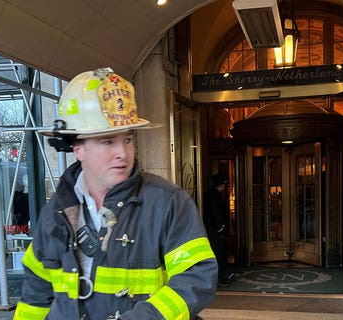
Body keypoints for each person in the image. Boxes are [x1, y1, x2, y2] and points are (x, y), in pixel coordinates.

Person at [13, 67, 218, 320]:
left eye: (128, 139)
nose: (122, 152)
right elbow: (36, 291)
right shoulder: (56, 210)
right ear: (78, 149)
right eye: (108, 141)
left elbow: (196, 277)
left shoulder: (168, 202)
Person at [203, 173, 236, 287]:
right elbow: (216, 214)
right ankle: (219, 278)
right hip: (215, 231)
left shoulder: (209, 194)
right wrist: (221, 228)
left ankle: (225, 274)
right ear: (221, 185)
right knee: (218, 254)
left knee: (219, 254)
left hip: (210, 229)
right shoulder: (215, 196)